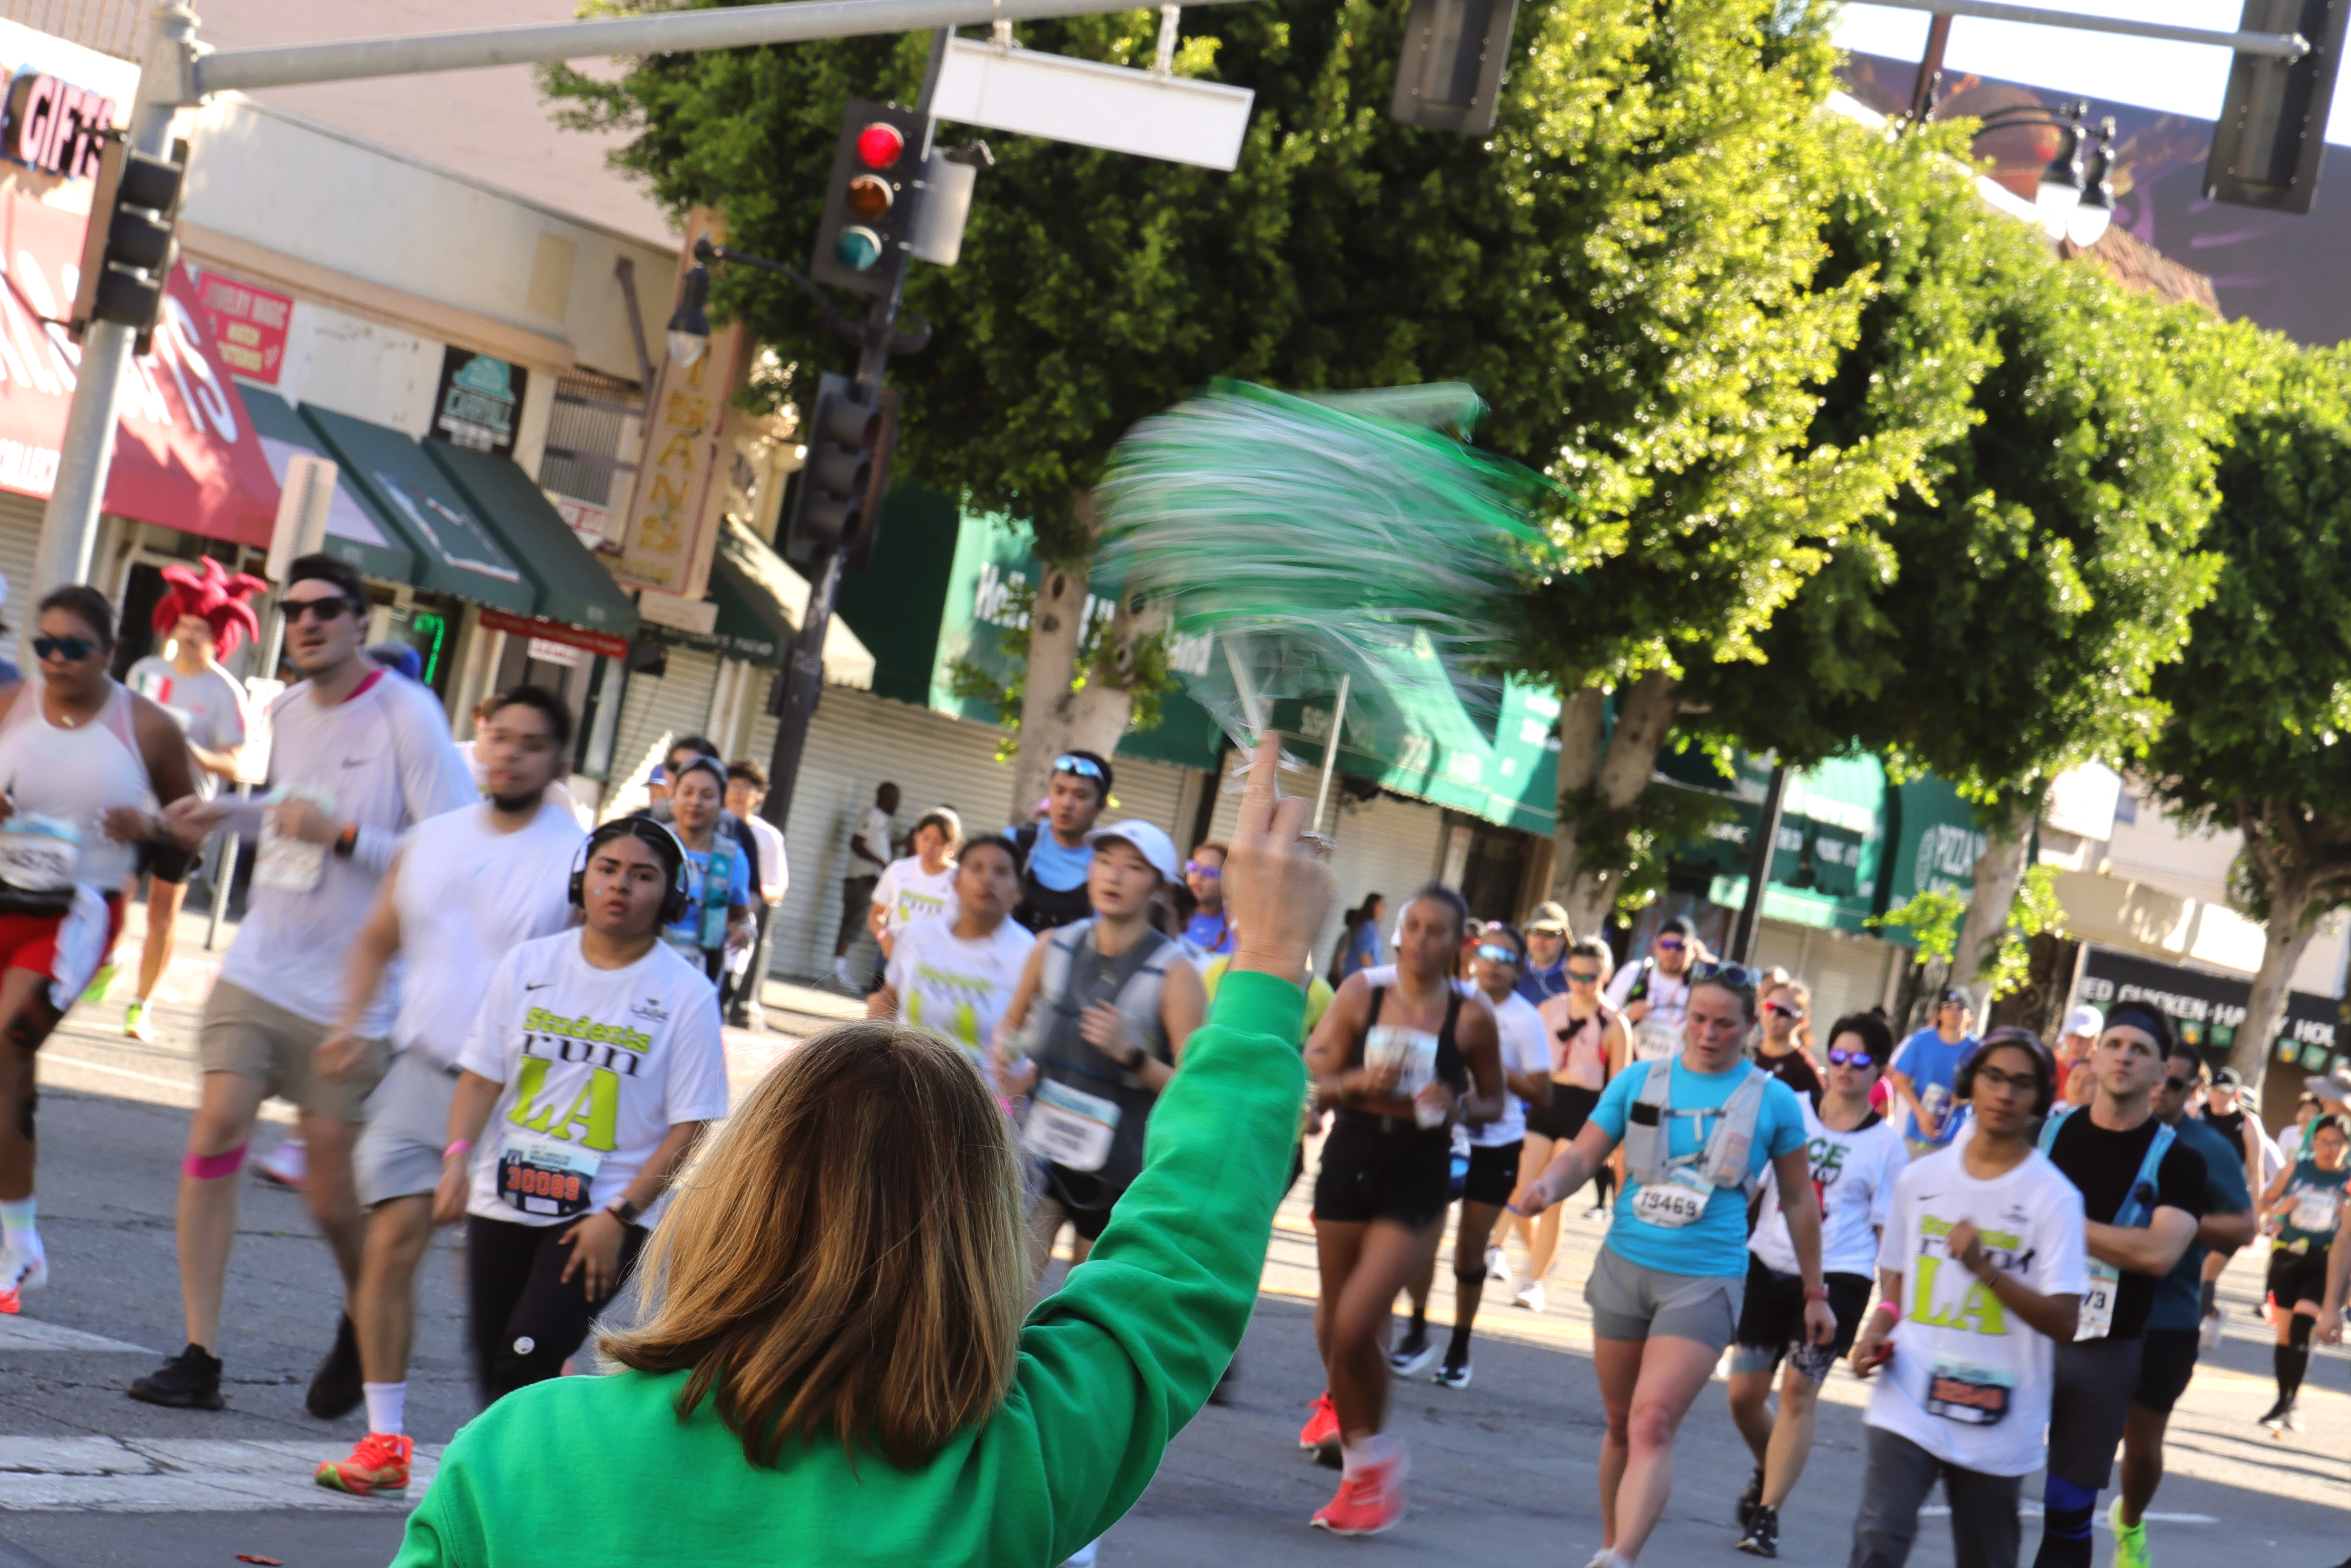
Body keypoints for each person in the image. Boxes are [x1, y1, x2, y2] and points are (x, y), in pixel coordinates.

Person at [387, 731, 1325, 1568]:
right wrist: (1273, 965)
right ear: (978, 1234)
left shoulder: (515, 1460)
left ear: (735, 1195)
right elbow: (1181, 1256)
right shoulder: (1006, 1472)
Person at [134, 554, 475, 1412]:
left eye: (328, 609)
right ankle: (199, 1353)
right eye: (296, 610)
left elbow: (456, 855)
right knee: (216, 1124)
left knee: (331, 1196)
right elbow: (291, 815)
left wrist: (347, 833)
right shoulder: (282, 708)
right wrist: (225, 813)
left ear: (363, 621)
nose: (309, 622)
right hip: (261, 965)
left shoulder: (409, 718)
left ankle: (368, 1316)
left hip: (354, 993)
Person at [309, 688, 586, 1497]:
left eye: (530, 744)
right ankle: (386, 1440)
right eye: (499, 738)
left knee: (503, 1313)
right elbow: (377, 939)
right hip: (423, 1073)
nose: (509, 754)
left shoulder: (575, 858)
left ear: (557, 761)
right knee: (391, 1244)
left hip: (527, 1105)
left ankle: (526, 1439)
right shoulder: (428, 842)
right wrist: (350, 1021)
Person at [1509, 960, 1821, 1568]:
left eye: (1724, 1024)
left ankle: (1623, 1554)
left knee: (1653, 1422)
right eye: (1699, 1019)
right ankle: (1609, 1543)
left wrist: (1816, 1292)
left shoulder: (1774, 1100)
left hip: (1704, 1277)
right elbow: (1582, 1155)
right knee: (1621, 1423)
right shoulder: (1637, 1080)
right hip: (1625, 1266)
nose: (1708, 1033)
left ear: (1749, 1024)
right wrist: (1546, 1188)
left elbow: (1799, 1199)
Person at [430, 815, 728, 1409]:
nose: (620, 886)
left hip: (606, 1209)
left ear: (670, 896)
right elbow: (481, 1076)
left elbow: (689, 1128)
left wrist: (618, 1218)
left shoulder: (686, 993)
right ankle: (524, 1482)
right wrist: (455, 1161)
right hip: (505, 1193)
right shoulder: (528, 964)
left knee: (525, 1354)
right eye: (607, 869)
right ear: (581, 879)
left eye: (642, 876)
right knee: (493, 1357)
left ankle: (504, 1492)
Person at [0, 587, 203, 1314]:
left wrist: (147, 822)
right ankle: (19, 1233)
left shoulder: (144, 726)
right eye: (45, 644)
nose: (56, 659)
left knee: (7, 1045)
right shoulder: (13, 704)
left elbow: (192, 825)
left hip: (78, 911)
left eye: (74, 647)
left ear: (109, 652)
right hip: (4, 896)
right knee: (10, 1075)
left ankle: (14, 1241)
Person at [1298, 883, 1505, 1534]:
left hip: (1418, 1165)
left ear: (1457, 942)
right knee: (1337, 1324)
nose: (1420, 939)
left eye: (1436, 930)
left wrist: (1459, 1103)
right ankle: (1361, 1468)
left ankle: (1371, 1462)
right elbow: (1315, 1069)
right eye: (1412, 926)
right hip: (1353, 1153)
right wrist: (1359, 1081)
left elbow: (1495, 1101)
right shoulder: (1364, 992)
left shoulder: (1471, 1017)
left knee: (1360, 1323)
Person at [1844, 1028, 2086, 1568]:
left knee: (1986, 1557)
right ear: (1968, 1084)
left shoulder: (2054, 1198)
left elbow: (2065, 1321)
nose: (2004, 1093)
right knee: (1877, 1541)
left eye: (2021, 1084)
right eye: (1992, 1077)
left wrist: (1984, 1269)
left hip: (1999, 1415)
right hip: (1908, 1395)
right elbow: (1897, 1288)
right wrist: (1876, 1332)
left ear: (2039, 1101)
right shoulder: (1920, 1179)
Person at [2027, 1005, 2206, 1568]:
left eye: (2140, 1050)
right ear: (2094, 1055)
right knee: (1979, 1484)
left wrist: (2060, 1223)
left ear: (2160, 1073)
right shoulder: (2046, 1133)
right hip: (2021, 1330)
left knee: (2067, 1504)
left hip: (2104, 1345)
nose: (2124, 1056)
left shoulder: (2180, 1161)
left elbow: (2155, 1254)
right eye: (2114, 1043)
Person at [1728, 1012, 1906, 1558]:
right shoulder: (1790, 1112)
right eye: (1837, 1056)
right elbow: (1746, 1189)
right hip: (1766, 1264)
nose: (1844, 1069)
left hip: (1838, 1281)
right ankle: (1770, 1466)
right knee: (1742, 1395)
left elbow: (1889, 1239)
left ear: (1876, 1070)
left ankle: (1767, 1515)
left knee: (1797, 1392)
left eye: (1858, 1061)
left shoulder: (1885, 1147)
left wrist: (1888, 1310)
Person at [997, 820, 1204, 1283]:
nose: (1113, 876)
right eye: (1104, 861)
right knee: (1007, 1299)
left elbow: (1197, 1089)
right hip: (1041, 1154)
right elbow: (1009, 1028)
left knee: (1084, 1312)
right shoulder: (1052, 946)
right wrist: (1008, 1060)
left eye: (1132, 867)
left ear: (1158, 888)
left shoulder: (1174, 973)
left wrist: (1130, 1054)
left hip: (1120, 1167)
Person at [2109, 1040, 2255, 1568]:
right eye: (2155, 1078)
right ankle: (2065, 1532)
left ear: (2192, 1091)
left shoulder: (2203, 1149)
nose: (2158, 1091)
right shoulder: (2104, 1129)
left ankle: (2128, 1523)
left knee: (2142, 1441)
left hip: (2166, 1317)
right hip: (2093, 1308)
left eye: (2173, 1084)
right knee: (2080, 1433)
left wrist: (2178, 1222)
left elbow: (2244, 1225)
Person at [1397, 922, 1550, 1388]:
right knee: (1422, 1232)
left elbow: (1541, 1092)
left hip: (1496, 1141)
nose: (1494, 962)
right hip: (1445, 1134)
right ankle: (1417, 1330)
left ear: (1520, 968)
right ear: (1472, 956)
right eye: (1487, 952)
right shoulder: (1452, 998)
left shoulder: (1526, 1019)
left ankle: (1459, 1347)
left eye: (1506, 957)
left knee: (1469, 1249)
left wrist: (1493, 1064)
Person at [120, 558, 262, 1045]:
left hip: (185, 816)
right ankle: (95, 969)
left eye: (203, 628)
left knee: (163, 913)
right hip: (132, 805)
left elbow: (241, 765)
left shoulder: (225, 692)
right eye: (187, 624)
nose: (192, 634)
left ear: (219, 636)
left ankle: (141, 1005)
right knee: (111, 894)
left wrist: (194, 751)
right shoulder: (145, 672)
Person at [1513, 936, 1631, 1311]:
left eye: (1590, 977)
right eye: (1574, 975)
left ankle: (1536, 1281)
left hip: (1584, 1108)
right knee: (1520, 1193)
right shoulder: (1550, 1007)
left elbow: (1618, 1086)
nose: (1581, 984)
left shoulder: (1616, 1024)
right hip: (1547, 1100)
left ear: (1606, 976)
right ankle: (1542, 1258)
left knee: (1553, 1200)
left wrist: (1613, 1139)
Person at [869, 834, 1033, 1062]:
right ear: (955, 882)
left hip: (982, 1092)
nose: (988, 880)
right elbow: (888, 999)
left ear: (1019, 892)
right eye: (976, 868)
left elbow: (1039, 1039)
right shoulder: (917, 935)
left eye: (1002, 872)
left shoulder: (1030, 954)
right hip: (906, 1080)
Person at [2253, 1111, 2346, 1434]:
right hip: (2288, 1257)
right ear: (2314, 1141)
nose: (2328, 1149)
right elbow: (2265, 1201)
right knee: (2284, 1333)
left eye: (2336, 1143)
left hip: (2325, 1261)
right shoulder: (2295, 1168)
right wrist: (2280, 1208)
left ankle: (2289, 1402)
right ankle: (2283, 1398)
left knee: (2304, 1325)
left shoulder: (2348, 1180)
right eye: (2322, 1142)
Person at [1006, 752, 1111, 933]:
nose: (1067, 803)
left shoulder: (1108, 861)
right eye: (1059, 791)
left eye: (1080, 796)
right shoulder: (1016, 843)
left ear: (1102, 806)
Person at [722, 761, 788, 1029]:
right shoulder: (708, 823)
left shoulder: (768, 837)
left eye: (747, 786)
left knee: (725, 988)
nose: (739, 792)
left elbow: (779, 886)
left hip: (739, 925)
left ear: (760, 794)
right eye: (733, 784)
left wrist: (748, 894)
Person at [1889, 989, 1978, 1157]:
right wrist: (1921, 1114)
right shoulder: (1921, 1040)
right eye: (1948, 1007)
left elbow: (1985, 1091)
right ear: (1939, 1014)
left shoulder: (1977, 1050)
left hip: (1957, 1141)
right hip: (1917, 1135)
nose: (1954, 1011)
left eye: (1960, 1008)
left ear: (1970, 1016)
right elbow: (1900, 1081)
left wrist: (1966, 1099)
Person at [1602, 914, 1701, 1064]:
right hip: (1630, 1067)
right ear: (1655, 946)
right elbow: (1601, 1022)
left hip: (1676, 1073)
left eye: (1680, 947)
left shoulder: (1700, 986)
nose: (1672, 952)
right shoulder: (1634, 973)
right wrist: (1627, 1017)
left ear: (1694, 950)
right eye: (1666, 945)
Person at [869, 808, 962, 961]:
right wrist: (885, 938)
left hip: (940, 964)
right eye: (925, 838)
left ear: (953, 846)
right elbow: (876, 914)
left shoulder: (961, 880)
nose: (930, 847)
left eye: (939, 842)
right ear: (916, 837)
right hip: (899, 957)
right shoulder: (898, 870)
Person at [832, 779, 899, 989]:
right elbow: (857, 842)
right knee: (853, 923)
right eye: (896, 797)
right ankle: (837, 972)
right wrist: (879, 862)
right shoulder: (872, 815)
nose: (897, 802)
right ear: (887, 798)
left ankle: (839, 969)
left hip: (869, 880)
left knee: (856, 923)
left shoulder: (881, 820)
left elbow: (875, 846)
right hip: (863, 880)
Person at [1755, 977, 1822, 1095]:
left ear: (1801, 1021)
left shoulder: (1805, 1069)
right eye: (1770, 1006)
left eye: (1783, 1011)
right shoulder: (1746, 1054)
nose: (1774, 1015)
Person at [1515, 901, 1575, 1006]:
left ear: (1563, 938)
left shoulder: (1575, 977)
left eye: (1549, 934)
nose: (1540, 940)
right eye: (1535, 932)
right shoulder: (1512, 970)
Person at [1181, 841, 1235, 956]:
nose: (1198, 876)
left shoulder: (1238, 927)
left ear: (1228, 881)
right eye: (1194, 868)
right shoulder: (1171, 914)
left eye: (1209, 872)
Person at [1330, 892, 1385, 984]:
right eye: (1381, 905)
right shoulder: (1368, 927)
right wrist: (1374, 979)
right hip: (1359, 980)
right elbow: (1364, 954)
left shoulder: (1373, 928)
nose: (1384, 909)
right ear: (1373, 906)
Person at [2055, 1004, 2103, 1109]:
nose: (2077, 1044)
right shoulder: (2049, 1070)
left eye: (2083, 1038)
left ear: (2096, 1040)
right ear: (2066, 1036)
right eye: (2072, 1036)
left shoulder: (2102, 1078)